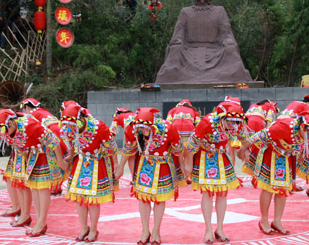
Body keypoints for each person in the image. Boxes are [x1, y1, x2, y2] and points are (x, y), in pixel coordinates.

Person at [155, 0, 253, 84]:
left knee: (231, 49)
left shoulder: (219, 11)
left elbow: (226, 33)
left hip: (215, 52)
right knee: (175, 49)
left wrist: (228, 41)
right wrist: (177, 41)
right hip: (189, 51)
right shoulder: (185, 12)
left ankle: (225, 76)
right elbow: (178, 34)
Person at [116, 108, 188, 245]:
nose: (143, 130)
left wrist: (183, 166)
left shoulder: (167, 128)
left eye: (145, 128)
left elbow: (178, 149)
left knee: (159, 199)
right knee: (143, 198)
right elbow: (128, 149)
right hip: (144, 165)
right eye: (140, 128)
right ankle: (145, 231)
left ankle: (156, 231)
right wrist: (120, 167)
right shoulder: (133, 128)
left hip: (163, 165)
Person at [239, 102, 309, 235]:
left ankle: (277, 221)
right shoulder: (284, 127)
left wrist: (299, 154)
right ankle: (264, 220)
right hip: (270, 154)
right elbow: (258, 136)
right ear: (302, 126)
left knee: (282, 189)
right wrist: (243, 148)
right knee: (268, 188)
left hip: (286, 157)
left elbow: (303, 144)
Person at [185, 97, 248, 243]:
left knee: (222, 193)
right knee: (207, 193)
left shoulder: (237, 122)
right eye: (230, 121)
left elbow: (244, 137)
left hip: (221, 156)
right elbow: (191, 145)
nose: (234, 125)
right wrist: (188, 165)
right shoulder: (207, 122)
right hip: (204, 157)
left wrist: (244, 150)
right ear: (222, 117)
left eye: (236, 122)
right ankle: (208, 228)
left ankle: (219, 228)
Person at [61, 102, 118, 242]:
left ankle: (93, 229)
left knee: (92, 199)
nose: (70, 128)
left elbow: (111, 147)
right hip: (79, 164)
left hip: (96, 165)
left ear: (81, 119)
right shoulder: (68, 128)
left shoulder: (98, 127)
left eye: (72, 124)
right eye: (67, 125)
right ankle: (83, 227)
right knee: (79, 198)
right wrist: (70, 155)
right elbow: (71, 143)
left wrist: (116, 165)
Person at [11, 104, 68, 237]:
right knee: (35, 188)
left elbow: (53, 140)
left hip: (46, 153)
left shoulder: (28, 124)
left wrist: (60, 161)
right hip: (34, 154)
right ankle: (39, 221)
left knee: (42, 188)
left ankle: (41, 222)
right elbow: (20, 146)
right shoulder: (10, 128)